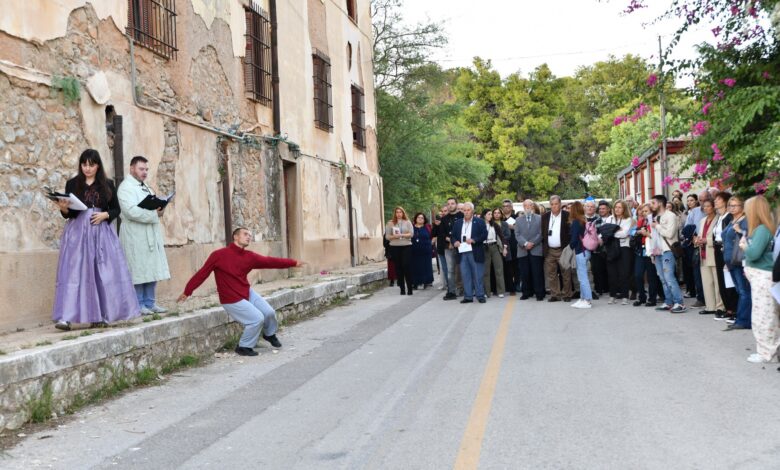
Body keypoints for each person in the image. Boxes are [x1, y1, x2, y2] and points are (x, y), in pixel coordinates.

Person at [178, 227, 303, 356]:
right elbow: (202, 273)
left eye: (250, 235)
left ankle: (269, 334)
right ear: (236, 237)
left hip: (246, 292)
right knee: (256, 319)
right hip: (231, 298)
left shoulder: (249, 257)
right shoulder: (218, 255)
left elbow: (270, 261)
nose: (248, 236)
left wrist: (293, 263)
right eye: (245, 234)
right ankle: (243, 346)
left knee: (269, 313)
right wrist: (188, 291)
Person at [51, 149, 140, 331]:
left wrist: (105, 215)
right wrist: (64, 208)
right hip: (77, 233)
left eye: (91, 164)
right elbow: (69, 214)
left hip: (100, 233)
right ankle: (66, 318)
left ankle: (100, 316)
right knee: (73, 273)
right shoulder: (72, 184)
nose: (87, 168)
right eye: (84, 164)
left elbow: (116, 209)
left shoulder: (107, 184)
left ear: (98, 165)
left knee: (102, 274)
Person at [117, 156, 171, 315]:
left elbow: (152, 207)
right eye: (141, 169)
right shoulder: (125, 187)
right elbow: (130, 211)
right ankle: (139, 304)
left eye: (146, 169)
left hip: (149, 233)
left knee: (151, 268)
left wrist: (161, 207)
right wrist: (154, 214)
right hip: (135, 234)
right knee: (138, 270)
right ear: (132, 168)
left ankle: (150, 302)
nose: (145, 172)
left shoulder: (145, 186)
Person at [739, 195, 778, 363]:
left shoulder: (761, 229)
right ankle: (769, 351)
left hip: (763, 278)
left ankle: (766, 353)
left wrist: (744, 246)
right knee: (766, 314)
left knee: (764, 316)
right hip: (761, 277)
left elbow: (754, 253)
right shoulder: (762, 228)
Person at [651, 194, 686, 314]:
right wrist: (652, 252)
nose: (652, 205)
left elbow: (670, 233)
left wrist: (657, 226)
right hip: (657, 251)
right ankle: (669, 301)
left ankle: (679, 302)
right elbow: (654, 237)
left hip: (668, 250)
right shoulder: (655, 217)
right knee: (662, 278)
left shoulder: (671, 216)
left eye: (653, 203)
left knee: (669, 277)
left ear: (660, 203)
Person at [722, 195, 751, 331]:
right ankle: (742, 319)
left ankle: (743, 320)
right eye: (730, 205)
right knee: (740, 290)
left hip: (739, 260)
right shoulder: (731, 220)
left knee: (744, 291)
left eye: (735, 206)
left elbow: (749, 236)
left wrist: (740, 231)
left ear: (742, 207)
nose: (731, 208)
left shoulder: (745, 220)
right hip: (730, 260)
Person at [451, 203, 488, 304]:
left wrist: (474, 240)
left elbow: (484, 235)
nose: (466, 212)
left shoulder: (479, 221)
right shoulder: (458, 223)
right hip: (462, 252)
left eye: (468, 210)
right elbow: (453, 236)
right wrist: (455, 242)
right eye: (464, 210)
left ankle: (480, 295)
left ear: (472, 211)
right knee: (465, 275)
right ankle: (468, 296)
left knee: (478, 275)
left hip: (475, 251)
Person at [694, 199, 725, 316]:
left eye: (708, 206)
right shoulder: (702, 220)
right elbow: (700, 235)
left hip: (714, 252)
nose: (705, 208)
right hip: (703, 253)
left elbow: (719, 237)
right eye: (704, 206)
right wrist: (697, 240)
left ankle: (720, 306)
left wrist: (706, 240)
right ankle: (710, 306)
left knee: (717, 282)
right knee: (707, 282)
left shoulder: (719, 219)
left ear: (713, 207)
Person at [542, 195, 572, 302]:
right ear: (550, 205)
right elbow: (543, 233)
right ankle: (555, 294)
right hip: (549, 250)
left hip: (563, 249)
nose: (554, 206)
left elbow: (570, 233)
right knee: (551, 273)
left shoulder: (567, 215)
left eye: (556, 204)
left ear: (560, 204)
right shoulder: (545, 216)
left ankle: (567, 294)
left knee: (566, 273)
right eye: (552, 204)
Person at [712, 191, 737, 320]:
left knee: (728, 279)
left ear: (726, 201)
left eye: (718, 199)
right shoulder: (719, 217)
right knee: (721, 279)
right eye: (715, 199)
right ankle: (728, 308)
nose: (715, 201)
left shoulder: (728, 217)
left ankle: (733, 309)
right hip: (717, 248)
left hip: (725, 249)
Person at [604, 200, 634, 305]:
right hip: (611, 248)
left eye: (620, 207)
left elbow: (625, 234)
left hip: (624, 247)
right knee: (612, 273)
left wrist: (611, 232)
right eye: (616, 207)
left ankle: (625, 296)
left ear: (624, 209)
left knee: (624, 273)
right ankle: (612, 296)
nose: (617, 209)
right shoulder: (609, 218)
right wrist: (616, 230)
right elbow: (604, 232)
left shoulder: (628, 219)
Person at [516, 199, 545, 301]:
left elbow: (541, 233)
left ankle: (539, 293)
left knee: (537, 272)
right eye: (525, 206)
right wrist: (525, 243)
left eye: (529, 205)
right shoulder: (518, 220)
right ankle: (526, 292)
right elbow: (517, 234)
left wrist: (532, 243)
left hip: (536, 248)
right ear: (523, 207)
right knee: (524, 273)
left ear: (533, 206)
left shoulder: (540, 218)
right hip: (522, 250)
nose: (527, 207)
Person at [631, 204, 659, 307]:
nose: (644, 213)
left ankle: (652, 299)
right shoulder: (641, 221)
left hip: (651, 252)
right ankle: (641, 297)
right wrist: (639, 231)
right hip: (641, 251)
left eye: (646, 211)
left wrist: (647, 233)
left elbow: (657, 236)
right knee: (638, 275)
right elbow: (632, 231)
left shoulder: (655, 221)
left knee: (651, 277)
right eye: (643, 211)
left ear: (652, 212)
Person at [438, 198, 463, 300]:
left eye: (452, 203)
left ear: (456, 205)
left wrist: (456, 242)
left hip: (462, 246)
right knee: (450, 270)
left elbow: (464, 231)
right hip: (449, 247)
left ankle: (464, 289)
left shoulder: (462, 216)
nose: (450, 205)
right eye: (448, 204)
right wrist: (451, 241)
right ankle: (451, 291)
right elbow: (442, 234)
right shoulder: (444, 219)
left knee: (462, 269)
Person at [385, 207, 414, 295]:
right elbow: (387, 236)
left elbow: (411, 234)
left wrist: (402, 235)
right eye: (397, 212)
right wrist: (394, 236)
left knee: (406, 266)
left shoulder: (407, 222)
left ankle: (409, 288)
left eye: (400, 212)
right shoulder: (390, 223)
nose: (398, 214)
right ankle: (402, 288)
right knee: (398, 267)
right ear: (395, 213)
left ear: (403, 213)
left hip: (406, 246)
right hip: (395, 247)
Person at [569, 202, 592, 309]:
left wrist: (570, 247)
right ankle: (582, 298)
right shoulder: (584, 220)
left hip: (580, 251)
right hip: (586, 250)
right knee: (582, 276)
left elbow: (573, 239)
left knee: (582, 277)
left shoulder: (575, 222)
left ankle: (587, 300)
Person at [482, 209, 507, 297]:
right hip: (484, 248)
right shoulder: (480, 224)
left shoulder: (494, 224)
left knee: (499, 269)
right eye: (488, 214)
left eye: (490, 214)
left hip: (494, 247)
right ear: (484, 215)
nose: (490, 216)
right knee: (486, 271)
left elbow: (502, 236)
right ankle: (486, 292)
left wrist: (505, 248)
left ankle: (500, 291)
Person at [590, 200, 611, 297]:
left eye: (604, 209)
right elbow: (593, 233)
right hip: (598, 250)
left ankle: (610, 289)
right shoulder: (595, 221)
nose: (602, 210)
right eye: (600, 209)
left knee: (609, 270)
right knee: (598, 270)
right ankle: (599, 289)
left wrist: (602, 237)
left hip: (610, 249)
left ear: (608, 209)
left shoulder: (612, 219)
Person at [682, 193, 700, 300]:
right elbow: (682, 226)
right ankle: (690, 289)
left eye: (692, 200)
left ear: (696, 201)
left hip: (695, 241)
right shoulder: (685, 213)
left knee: (695, 267)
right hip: (686, 241)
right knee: (687, 268)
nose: (689, 202)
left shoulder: (699, 211)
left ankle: (696, 290)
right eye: (688, 200)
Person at [501, 199, 520, 295]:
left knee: (516, 265)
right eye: (504, 206)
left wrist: (510, 226)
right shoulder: (500, 218)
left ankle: (517, 284)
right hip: (503, 245)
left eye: (507, 206)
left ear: (511, 207)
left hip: (514, 244)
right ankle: (508, 285)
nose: (505, 208)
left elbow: (519, 228)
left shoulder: (516, 218)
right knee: (506, 266)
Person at [410, 212, 434, 289]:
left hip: (426, 251)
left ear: (424, 220)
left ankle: (426, 282)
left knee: (426, 266)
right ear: (416, 219)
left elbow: (434, 236)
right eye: (418, 217)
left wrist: (431, 243)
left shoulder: (428, 227)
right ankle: (415, 283)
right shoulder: (411, 227)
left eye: (422, 218)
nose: (420, 219)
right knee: (415, 267)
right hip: (414, 251)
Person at [431, 203, 449, 289]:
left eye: (446, 211)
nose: (444, 213)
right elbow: (433, 234)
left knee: (452, 269)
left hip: (450, 247)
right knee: (444, 268)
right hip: (441, 248)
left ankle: (454, 286)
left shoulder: (451, 220)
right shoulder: (439, 221)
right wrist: (436, 226)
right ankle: (449, 286)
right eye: (442, 211)